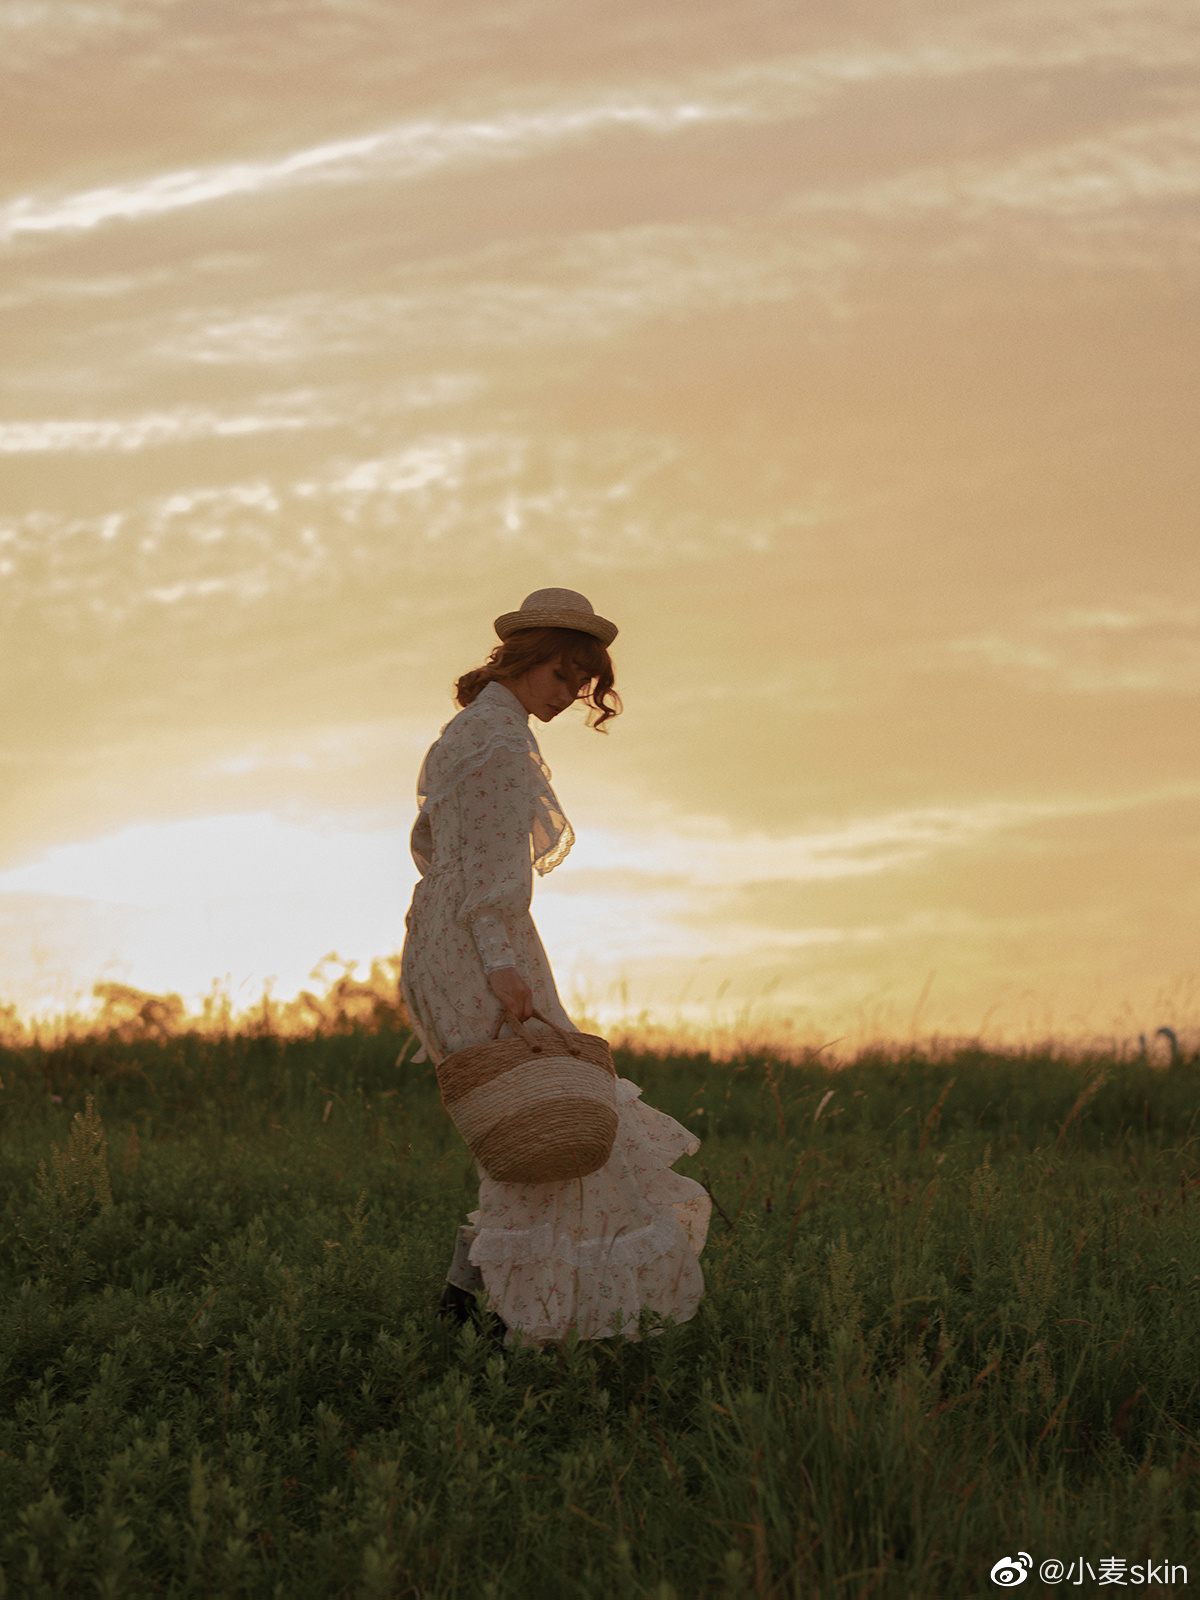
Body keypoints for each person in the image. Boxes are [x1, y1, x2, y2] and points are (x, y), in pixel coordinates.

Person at [400, 587, 711, 1344]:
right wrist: (503, 965)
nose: (571, 695)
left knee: (524, 1122)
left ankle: (467, 1311)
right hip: (480, 947)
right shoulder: (497, 742)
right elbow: (492, 871)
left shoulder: (465, 732)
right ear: (527, 658)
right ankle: (507, 1319)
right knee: (547, 1124)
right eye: (564, 677)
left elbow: (433, 850)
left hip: (444, 941)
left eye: (582, 685)